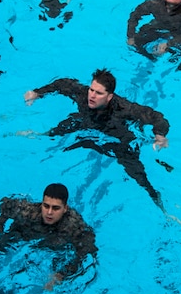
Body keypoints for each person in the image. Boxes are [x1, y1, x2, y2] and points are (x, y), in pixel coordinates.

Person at [24, 68, 170, 207]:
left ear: (109, 97)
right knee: (61, 129)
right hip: (85, 123)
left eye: (98, 93)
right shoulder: (84, 95)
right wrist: (37, 93)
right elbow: (63, 83)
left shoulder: (123, 108)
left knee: (137, 174)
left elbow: (157, 118)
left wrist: (159, 135)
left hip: (115, 137)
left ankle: (156, 200)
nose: (92, 95)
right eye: (91, 90)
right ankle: (36, 135)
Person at [0, 183, 97, 289]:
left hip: (52, 244)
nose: (49, 212)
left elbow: (87, 249)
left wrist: (62, 274)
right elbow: (6, 205)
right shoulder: (29, 211)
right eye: (46, 206)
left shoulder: (73, 225)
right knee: (0, 245)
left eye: (56, 208)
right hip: (24, 233)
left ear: (65, 208)